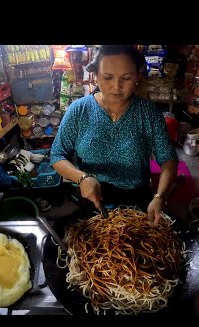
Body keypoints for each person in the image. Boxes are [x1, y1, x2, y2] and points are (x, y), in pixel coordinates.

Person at [50, 45, 178, 226]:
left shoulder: (148, 113)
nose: (116, 86)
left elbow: (169, 161)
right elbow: (57, 155)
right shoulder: (79, 110)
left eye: (126, 78)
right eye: (107, 77)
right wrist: (82, 178)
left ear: (137, 77)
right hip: (92, 198)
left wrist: (160, 196)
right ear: (95, 75)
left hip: (137, 201)